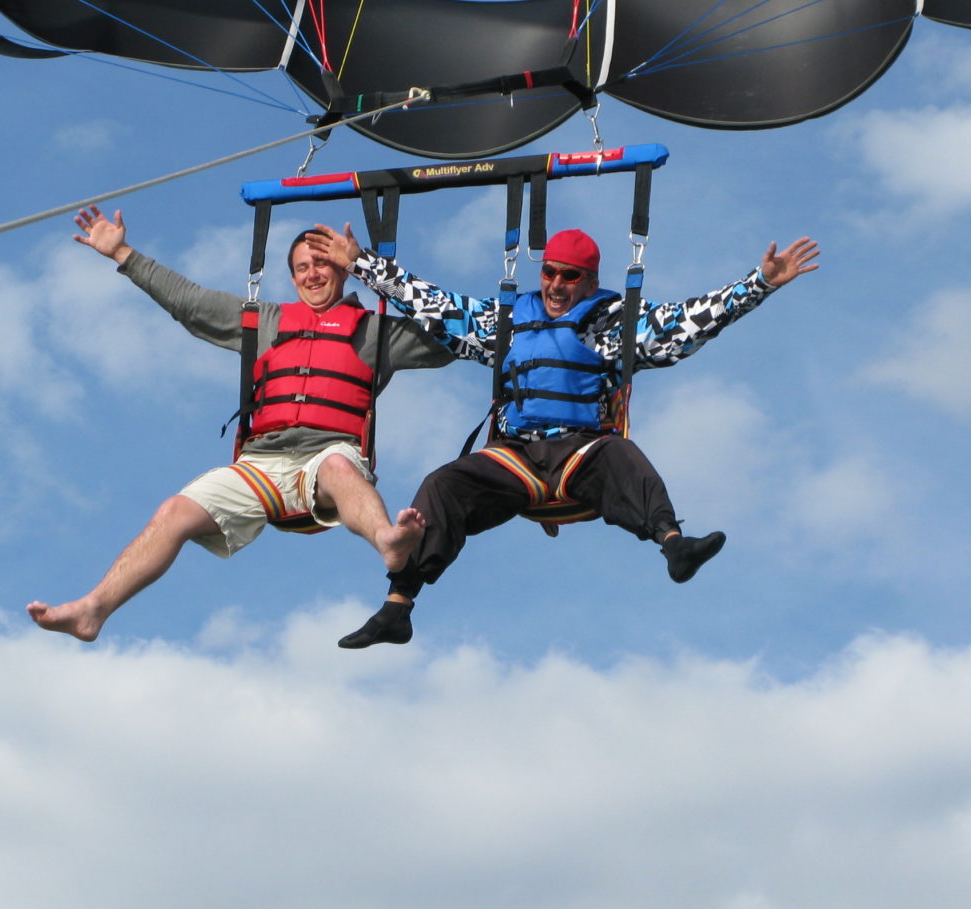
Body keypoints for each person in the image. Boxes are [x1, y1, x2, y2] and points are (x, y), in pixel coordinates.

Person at [301, 223, 821, 648]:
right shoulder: (507, 321)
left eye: (568, 276)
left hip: (581, 451)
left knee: (622, 456)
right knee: (443, 483)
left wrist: (759, 283)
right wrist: (361, 263)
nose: (554, 285)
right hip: (516, 457)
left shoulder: (613, 323)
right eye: (548, 272)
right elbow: (434, 304)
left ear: (590, 282)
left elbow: (689, 322)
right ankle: (398, 607)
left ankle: (673, 543)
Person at [27, 205, 454, 641]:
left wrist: (371, 268)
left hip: (326, 459)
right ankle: (92, 610)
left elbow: (453, 332)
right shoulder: (263, 321)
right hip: (260, 465)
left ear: (343, 269)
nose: (312, 274)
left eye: (322, 263)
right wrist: (123, 254)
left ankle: (387, 540)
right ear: (292, 277)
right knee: (174, 512)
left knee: (338, 467)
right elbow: (189, 302)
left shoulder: (378, 333)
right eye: (302, 267)